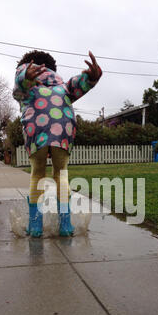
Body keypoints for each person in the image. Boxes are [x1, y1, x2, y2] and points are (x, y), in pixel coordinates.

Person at [13, 50, 102, 237]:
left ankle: (36, 227)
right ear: (53, 69)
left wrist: (24, 77)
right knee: (61, 174)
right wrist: (92, 78)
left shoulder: (28, 83)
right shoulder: (62, 86)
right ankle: (65, 225)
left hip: (36, 127)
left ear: (27, 65)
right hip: (63, 126)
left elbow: (19, 87)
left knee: (37, 173)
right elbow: (77, 84)